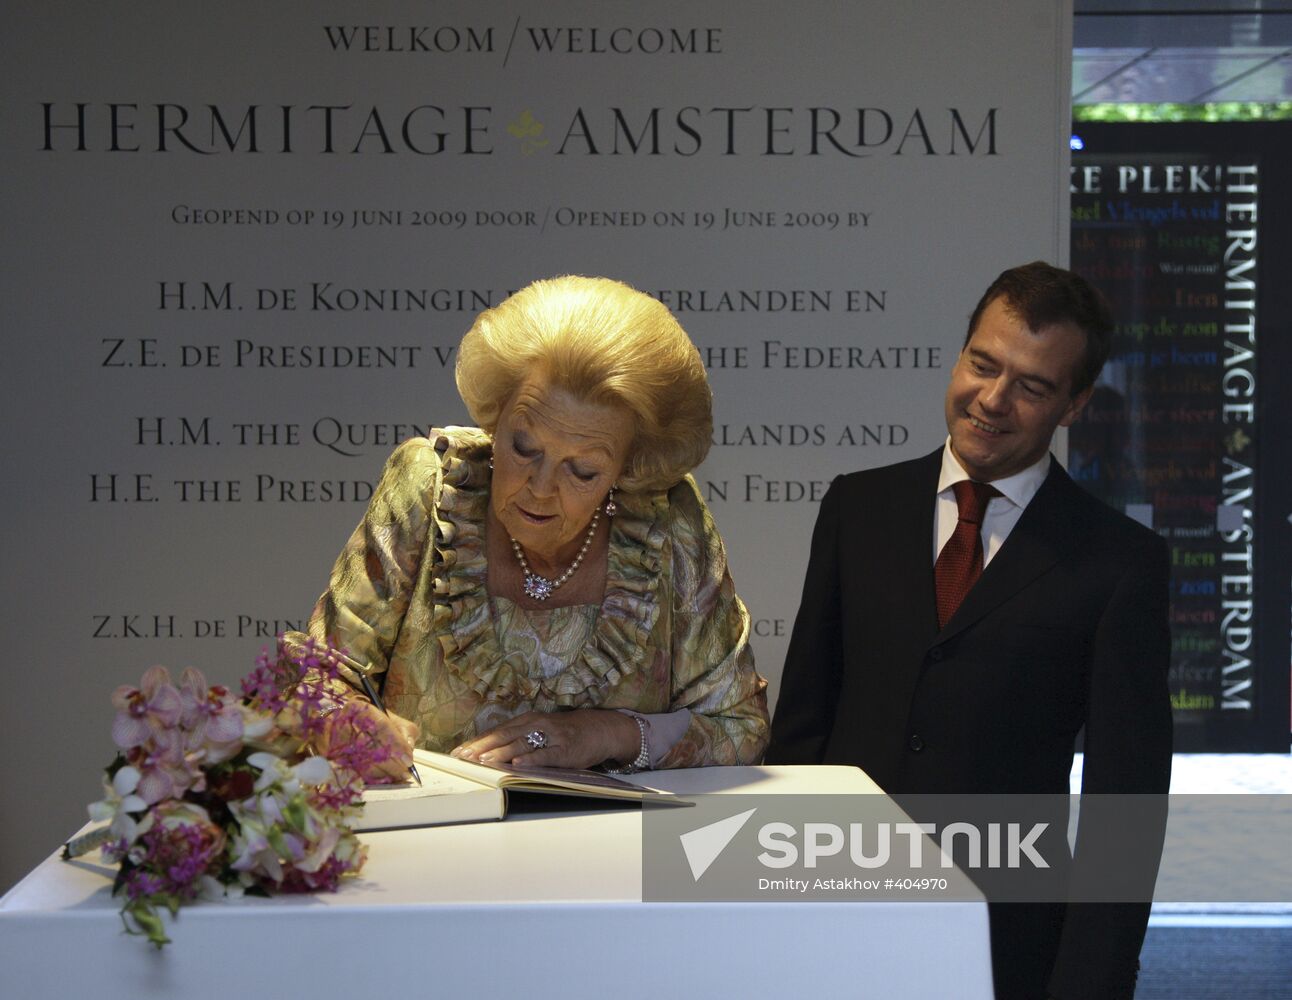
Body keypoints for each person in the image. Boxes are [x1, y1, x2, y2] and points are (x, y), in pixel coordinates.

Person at [766, 261, 1171, 1000]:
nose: (992, 399)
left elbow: (1127, 802)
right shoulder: (858, 508)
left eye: (1032, 386)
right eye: (983, 365)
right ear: (959, 355)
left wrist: (1092, 980)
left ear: (1074, 405)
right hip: (833, 928)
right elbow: (801, 731)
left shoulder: (1120, 563)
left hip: (1009, 947)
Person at [288, 275, 769, 780]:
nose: (540, 487)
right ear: (496, 418)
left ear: (628, 469)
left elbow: (741, 729)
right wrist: (351, 721)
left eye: (582, 471)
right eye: (523, 447)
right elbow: (313, 680)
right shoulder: (429, 490)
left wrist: (604, 734)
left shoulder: (669, 523)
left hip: (615, 850)